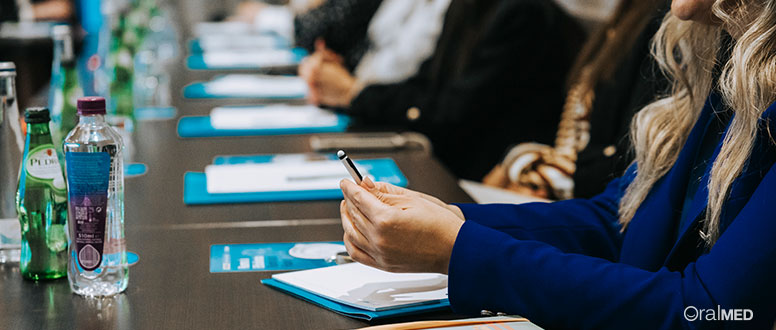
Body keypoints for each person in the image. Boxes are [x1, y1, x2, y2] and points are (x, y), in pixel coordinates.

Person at [338, 0, 776, 328]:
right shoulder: (729, 58)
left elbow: (710, 311)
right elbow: (617, 219)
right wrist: (450, 220)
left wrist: (458, 249)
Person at [301, 0, 585, 180]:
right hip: (445, 163)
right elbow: (427, 82)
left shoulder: (525, 13)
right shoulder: (467, 6)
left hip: (483, 177)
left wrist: (354, 94)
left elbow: (452, 115)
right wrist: (352, 93)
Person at [482, 0, 670, 200]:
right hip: (571, 182)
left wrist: (545, 175)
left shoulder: (654, 23)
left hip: (585, 196)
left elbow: (626, 156)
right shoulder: (620, 21)